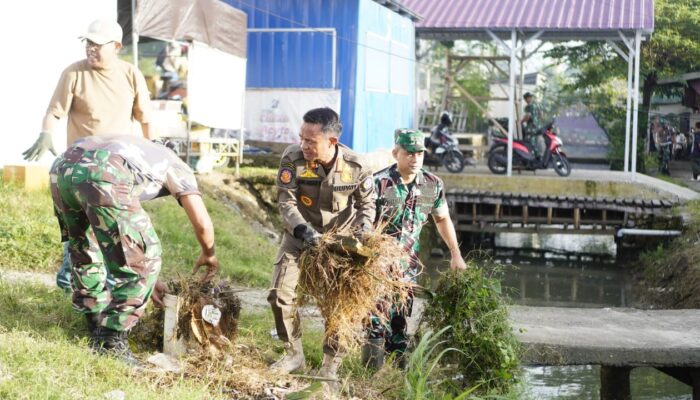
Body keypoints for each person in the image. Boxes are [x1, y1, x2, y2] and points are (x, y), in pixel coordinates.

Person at [49, 134, 219, 365]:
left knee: (85, 246)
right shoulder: (174, 162)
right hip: (106, 171)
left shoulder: (136, 146)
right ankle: (111, 340)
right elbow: (202, 221)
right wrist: (209, 253)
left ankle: (95, 321)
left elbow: (113, 241)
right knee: (147, 253)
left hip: (63, 167)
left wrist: (150, 279)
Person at [22, 19, 153, 292]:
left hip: (116, 172)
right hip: (79, 170)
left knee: (113, 233)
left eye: (97, 44)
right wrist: (46, 133)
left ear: (116, 46)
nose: (90, 49)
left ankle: (101, 286)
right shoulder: (74, 73)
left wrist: (149, 156)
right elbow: (54, 111)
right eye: (88, 43)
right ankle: (74, 280)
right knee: (79, 233)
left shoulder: (130, 75)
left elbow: (145, 120)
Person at [268, 107, 376, 384]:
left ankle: (330, 367)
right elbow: (286, 201)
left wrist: (362, 235)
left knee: (341, 305)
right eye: (302, 138)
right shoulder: (292, 158)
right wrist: (303, 230)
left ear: (332, 142)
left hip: (340, 242)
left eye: (311, 141)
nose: (303, 145)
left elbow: (367, 206)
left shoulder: (357, 166)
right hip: (299, 235)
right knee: (280, 294)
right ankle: (293, 354)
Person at [365, 129, 467, 368]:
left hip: (407, 269)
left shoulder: (432, 184)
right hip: (376, 265)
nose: (414, 158)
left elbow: (442, 219)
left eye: (419, 153)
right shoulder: (379, 183)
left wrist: (455, 253)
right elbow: (363, 223)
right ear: (396, 153)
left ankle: (397, 378)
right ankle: (370, 376)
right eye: (409, 153)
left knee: (399, 323)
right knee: (375, 320)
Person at [521, 92, 545, 161]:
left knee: (528, 141)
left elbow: (527, 116)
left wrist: (521, 121)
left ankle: (536, 156)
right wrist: (537, 121)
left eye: (526, 99)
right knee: (537, 141)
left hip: (531, 127)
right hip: (538, 127)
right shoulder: (538, 105)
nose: (526, 100)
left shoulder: (529, 106)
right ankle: (539, 155)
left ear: (527, 98)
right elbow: (541, 116)